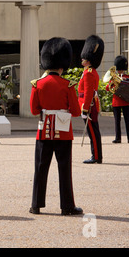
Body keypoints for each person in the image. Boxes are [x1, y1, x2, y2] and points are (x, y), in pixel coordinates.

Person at [29, 37, 82, 216]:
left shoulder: (37, 85)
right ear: (62, 65)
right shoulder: (68, 85)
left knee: (40, 167)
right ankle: (67, 206)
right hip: (63, 131)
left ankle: (36, 205)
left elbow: (34, 110)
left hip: (43, 130)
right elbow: (75, 112)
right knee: (64, 169)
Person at [78, 35, 104, 164]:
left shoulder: (88, 73)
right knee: (94, 131)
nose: (82, 59)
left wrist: (85, 108)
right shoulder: (90, 71)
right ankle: (96, 155)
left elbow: (88, 93)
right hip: (90, 104)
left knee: (93, 132)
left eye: (84, 58)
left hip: (89, 105)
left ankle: (96, 156)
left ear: (89, 60)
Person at [105, 55, 129, 144]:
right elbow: (108, 88)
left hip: (125, 101)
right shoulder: (114, 77)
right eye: (119, 69)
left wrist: (126, 80)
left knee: (128, 121)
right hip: (116, 102)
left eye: (121, 69)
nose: (120, 71)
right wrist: (112, 83)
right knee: (117, 121)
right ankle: (118, 138)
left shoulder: (128, 77)